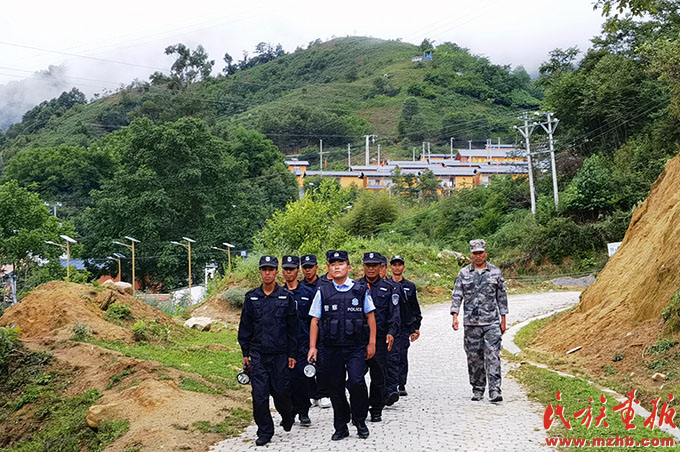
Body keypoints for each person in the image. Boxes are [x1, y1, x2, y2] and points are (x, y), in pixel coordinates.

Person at [307, 250, 377, 440]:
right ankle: (340, 426)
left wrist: (371, 343)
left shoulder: (361, 289)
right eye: (333, 264)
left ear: (349, 267)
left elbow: (370, 318)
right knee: (335, 388)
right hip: (330, 348)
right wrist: (313, 347)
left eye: (341, 263)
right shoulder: (323, 291)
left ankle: (360, 420)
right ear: (328, 268)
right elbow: (314, 321)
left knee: (357, 383)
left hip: (355, 347)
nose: (337, 266)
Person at [238, 255, 298, 446]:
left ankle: (287, 415)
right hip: (258, 354)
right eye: (264, 269)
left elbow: (293, 328)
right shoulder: (252, 297)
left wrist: (292, 354)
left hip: (280, 354)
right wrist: (245, 353)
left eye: (271, 269)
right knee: (259, 395)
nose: (267, 273)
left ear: (276, 272)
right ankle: (265, 431)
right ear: (260, 272)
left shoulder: (286, 297)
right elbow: (245, 327)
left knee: (281, 392)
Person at [451, 239, 508, 403]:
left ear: (485, 253)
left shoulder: (495, 272)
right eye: (475, 253)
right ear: (471, 255)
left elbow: (502, 298)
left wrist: (503, 320)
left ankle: (495, 389)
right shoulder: (464, 273)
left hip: (491, 322)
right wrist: (455, 315)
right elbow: (457, 295)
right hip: (471, 323)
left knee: (493, 355)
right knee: (474, 357)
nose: (478, 256)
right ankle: (477, 388)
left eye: (480, 253)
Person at [358, 252, 400, 421]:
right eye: (368, 265)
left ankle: (376, 408)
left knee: (378, 377)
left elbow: (394, 314)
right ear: (363, 267)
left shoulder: (389, 288)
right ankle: (359, 407)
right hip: (359, 339)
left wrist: (391, 333)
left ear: (381, 267)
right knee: (356, 377)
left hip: (380, 339)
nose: (371, 268)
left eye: (374, 265)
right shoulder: (356, 287)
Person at [282, 255, 316, 426]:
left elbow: (314, 321)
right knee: (285, 381)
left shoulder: (308, 293)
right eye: (286, 269)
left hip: (303, 343)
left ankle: (303, 411)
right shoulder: (278, 294)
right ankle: (289, 412)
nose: (289, 272)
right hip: (284, 345)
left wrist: (313, 345)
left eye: (292, 269)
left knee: (301, 379)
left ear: (297, 270)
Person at [387, 255, 422, 398]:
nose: (397, 267)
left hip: (403, 327)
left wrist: (415, 327)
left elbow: (415, 309)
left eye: (399, 265)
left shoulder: (410, 286)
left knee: (401, 355)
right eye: (394, 265)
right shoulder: (386, 285)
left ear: (403, 267)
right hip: (389, 327)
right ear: (391, 267)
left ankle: (401, 384)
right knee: (389, 356)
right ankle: (391, 384)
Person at [300, 254, 332, 409]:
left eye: (310, 267)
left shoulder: (325, 284)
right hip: (305, 330)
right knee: (308, 362)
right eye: (305, 267)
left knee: (324, 364)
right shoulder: (300, 287)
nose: (308, 270)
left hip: (324, 330)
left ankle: (324, 393)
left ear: (316, 268)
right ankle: (313, 394)